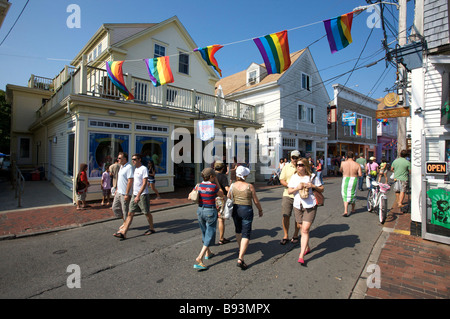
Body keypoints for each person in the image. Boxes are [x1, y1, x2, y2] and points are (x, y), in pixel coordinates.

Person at [288, 158, 324, 265]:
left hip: (310, 205)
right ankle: (307, 247)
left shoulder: (312, 177)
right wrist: (297, 188)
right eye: (298, 165)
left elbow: (322, 189)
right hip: (297, 205)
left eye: (301, 165)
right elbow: (289, 191)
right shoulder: (294, 177)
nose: (299, 167)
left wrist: (312, 186)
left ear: (306, 166)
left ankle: (301, 255)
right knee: (300, 226)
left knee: (305, 229)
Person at [229, 166, 263, 270]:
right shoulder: (249, 186)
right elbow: (256, 201)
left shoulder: (232, 185)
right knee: (246, 233)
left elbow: (229, 197)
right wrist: (260, 210)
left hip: (236, 209)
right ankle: (240, 258)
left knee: (238, 231)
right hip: (247, 209)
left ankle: (240, 249)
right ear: (245, 175)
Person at [114, 154, 155, 239]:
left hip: (142, 195)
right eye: (132, 159)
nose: (133, 161)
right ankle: (123, 232)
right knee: (130, 213)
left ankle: (151, 228)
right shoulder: (135, 169)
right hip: (134, 194)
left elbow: (144, 183)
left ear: (139, 159)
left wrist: (138, 195)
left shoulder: (144, 169)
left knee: (146, 213)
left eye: (135, 159)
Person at [190, 167, 224, 270]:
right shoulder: (214, 186)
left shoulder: (198, 185)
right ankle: (199, 258)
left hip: (200, 211)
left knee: (204, 232)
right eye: (214, 176)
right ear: (211, 177)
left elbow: (189, 196)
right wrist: (217, 182)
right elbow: (222, 194)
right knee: (210, 233)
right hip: (210, 211)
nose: (215, 178)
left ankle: (208, 253)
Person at [279, 150, 301, 245]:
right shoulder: (286, 167)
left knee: (298, 217)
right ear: (290, 158)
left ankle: (296, 234)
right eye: (293, 158)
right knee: (285, 215)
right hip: (288, 194)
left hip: (299, 195)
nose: (295, 160)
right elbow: (281, 179)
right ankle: (285, 235)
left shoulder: (302, 166)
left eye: (297, 158)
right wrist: (289, 186)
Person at [112, 152, 133, 237]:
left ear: (125, 159)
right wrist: (117, 188)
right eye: (118, 158)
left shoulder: (129, 167)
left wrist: (127, 194)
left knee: (125, 211)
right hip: (118, 192)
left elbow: (130, 181)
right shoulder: (121, 167)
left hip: (125, 193)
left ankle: (124, 228)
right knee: (115, 208)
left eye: (120, 158)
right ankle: (125, 222)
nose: (118, 159)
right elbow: (120, 179)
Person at [340, 151, 362, 217]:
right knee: (353, 193)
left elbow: (340, 170)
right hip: (354, 179)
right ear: (354, 157)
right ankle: (352, 209)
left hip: (346, 178)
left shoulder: (343, 163)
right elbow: (360, 174)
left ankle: (345, 210)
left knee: (345, 194)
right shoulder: (357, 164)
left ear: (346, 157)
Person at [214, 161, 231, 245]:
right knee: (221, 220)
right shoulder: (223, 177)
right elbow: (227, 188)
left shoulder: (211, 176)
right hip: (220, 198)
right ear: (223, 168)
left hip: (211, 198)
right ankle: (221, 238)